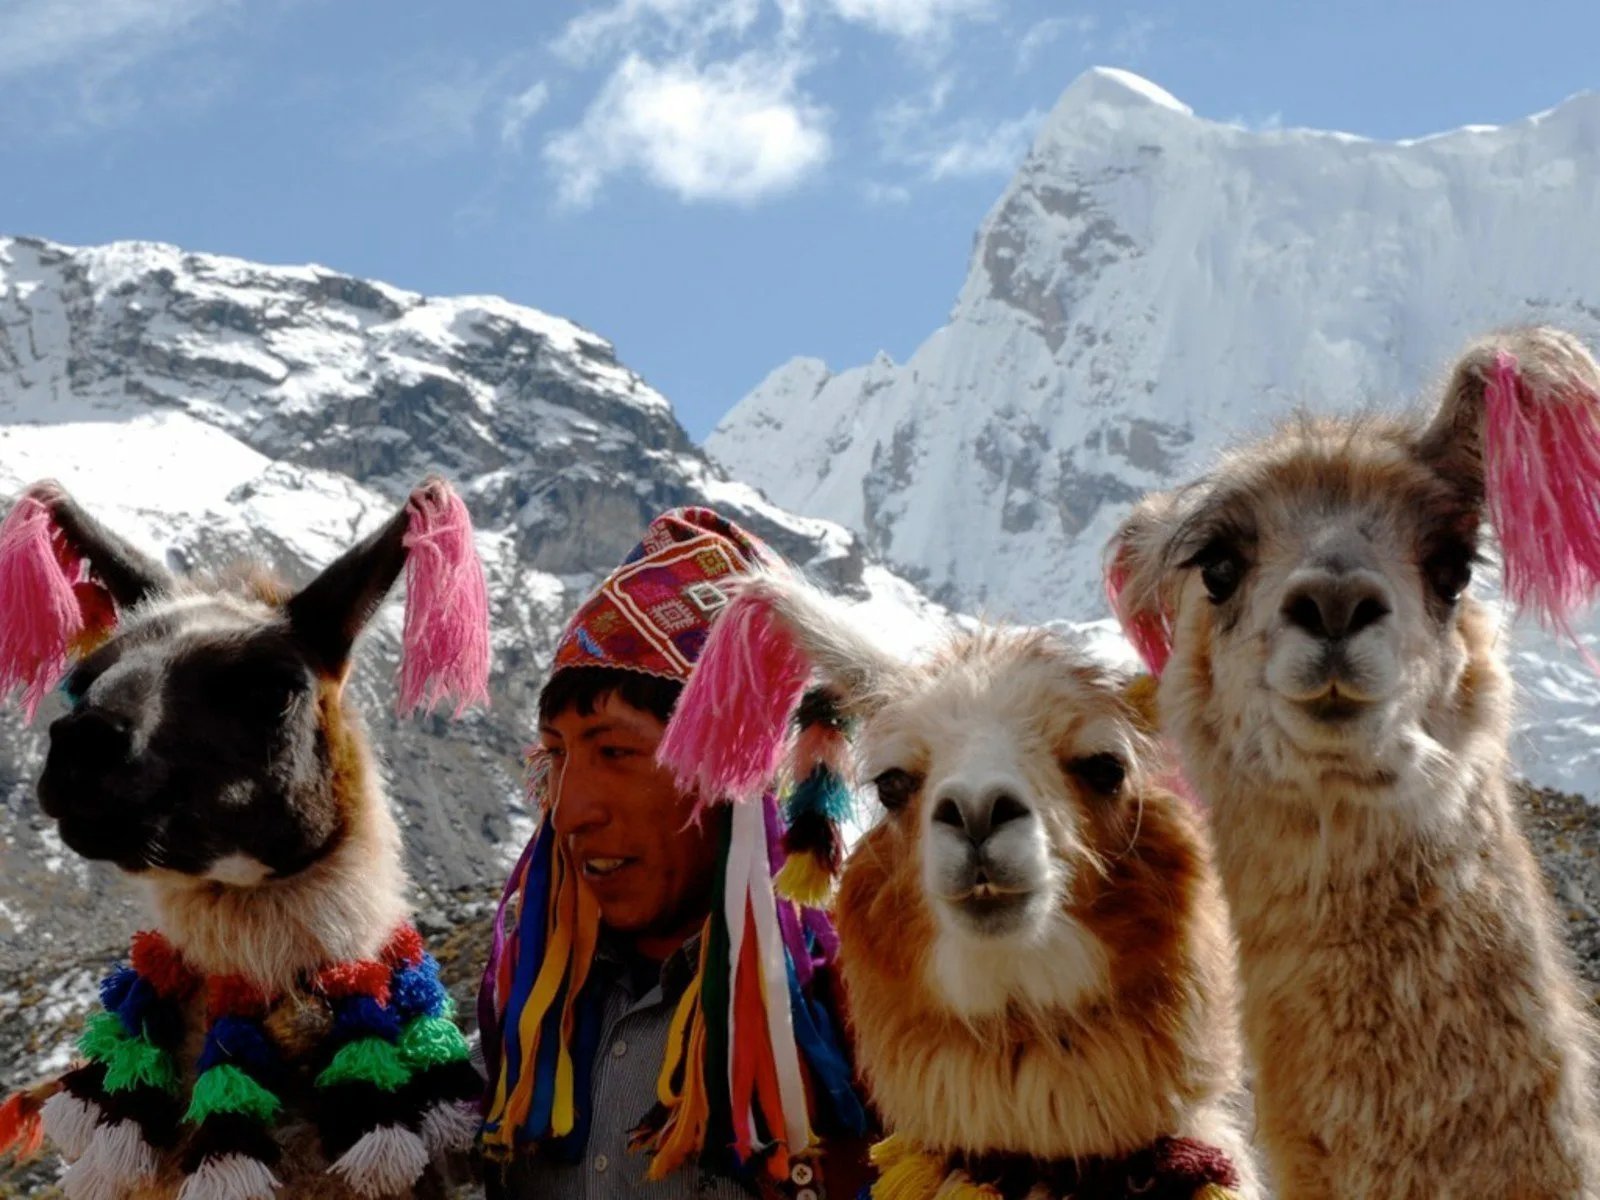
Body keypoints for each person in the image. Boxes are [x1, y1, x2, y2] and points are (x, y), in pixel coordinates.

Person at [477, 507, 872, 1199]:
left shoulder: (859, 1018)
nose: (570, 810)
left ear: (739, 775)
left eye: (616, 752)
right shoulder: (526, 1005)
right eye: (558, 755)